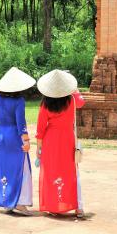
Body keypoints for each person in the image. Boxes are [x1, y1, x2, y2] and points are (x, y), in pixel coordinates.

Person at [35, 69, 85, 218]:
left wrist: (38, 149)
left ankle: (53, 206)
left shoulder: (46, 103)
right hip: (67, 139)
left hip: (51, 141)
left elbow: (40, 128)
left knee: (51, 172)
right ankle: (77, 206)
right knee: (70, 172)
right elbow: (82, 102)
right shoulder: (71, 99)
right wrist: (75, 90)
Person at [0, 67, 36, 215]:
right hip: (14, 138)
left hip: (1, 138)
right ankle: (20, 203)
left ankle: (6, 203)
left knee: (3, 169)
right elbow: (20, 124)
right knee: (20, 169)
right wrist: (26, 141)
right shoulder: (19, 101)